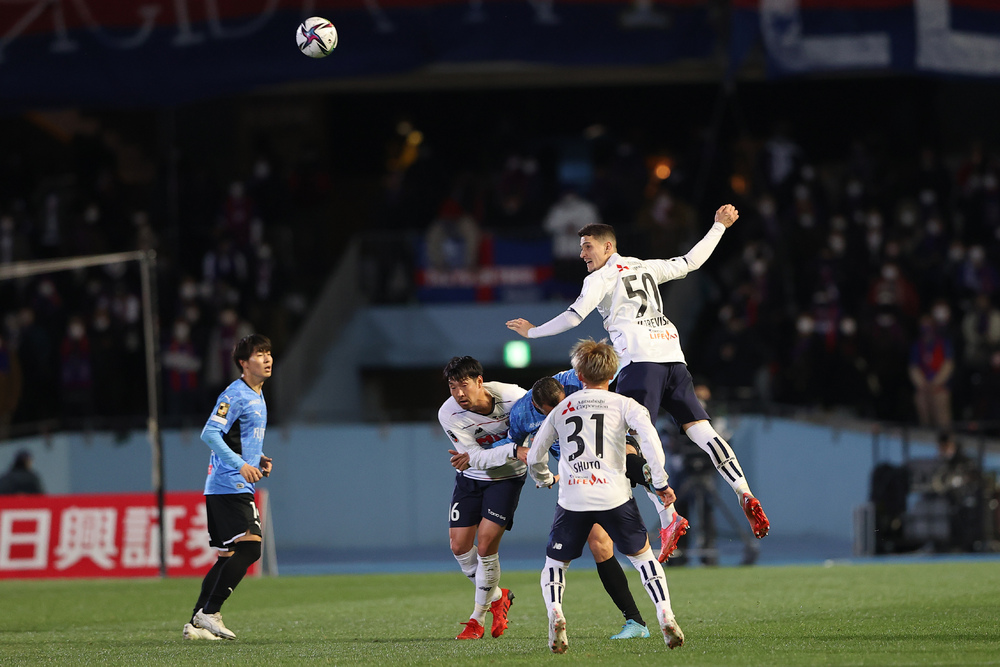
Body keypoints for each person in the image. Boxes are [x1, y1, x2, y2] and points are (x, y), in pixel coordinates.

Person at [506, 204, 770, 558]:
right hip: (673, 356)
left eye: (587, 246)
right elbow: (691, 262)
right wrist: (719, 226)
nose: (582, 254)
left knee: (628, 444)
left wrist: (533, 332)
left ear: (608, 247)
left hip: (639, 362)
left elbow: (574, 316)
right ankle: (744, 491)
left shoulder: (600, 278)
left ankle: (668, 515)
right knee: (702, 430)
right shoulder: (645, 266)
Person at [450, 369, 655, 639]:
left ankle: (660, 493)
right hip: (582, 476)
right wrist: (475, 456)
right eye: (551, 412)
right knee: (600, 545)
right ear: (538, 408)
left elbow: (601, 371)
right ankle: (636, 621)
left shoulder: (572, 380)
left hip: (608, 451)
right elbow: (514, 446)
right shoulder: (522, 414)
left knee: (629, 457)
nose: (560, 414)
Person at [526, 339, 684, 653]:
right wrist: (661, 482)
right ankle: (665, 613)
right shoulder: (625, 405)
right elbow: (650, 441)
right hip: (614, 495)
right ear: (612, 375)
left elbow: (534, 457)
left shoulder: (562, 408)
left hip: (573, 498)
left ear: (578, 376)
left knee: (555, 563)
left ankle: (556, 612)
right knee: (643, 558)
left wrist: (544, 479)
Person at [183, 334, 274, 641]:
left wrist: (257, 458)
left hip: (228, 484)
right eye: (259, 354)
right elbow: (210, 434)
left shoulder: (257, 394)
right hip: (229, 483)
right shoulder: (235, 394)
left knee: (227, 556)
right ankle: (210, 612)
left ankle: (195, 624)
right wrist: (241, 465)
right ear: (243, 363)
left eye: (268, 353)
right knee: (251, 547)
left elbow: (235, 437)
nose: (267, 358)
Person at [438, 356, 523, 640]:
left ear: (479, 381)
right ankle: (499, 596)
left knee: (486, 547)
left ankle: (477, 619)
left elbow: (540, 430)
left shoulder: (514, 397)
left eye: (463, 385)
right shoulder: (448, 413)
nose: (458, 393)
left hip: (506, 479)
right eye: (452, 387)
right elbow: (473, 457)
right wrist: (514, 450)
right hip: (471, 478)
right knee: (459, 547)